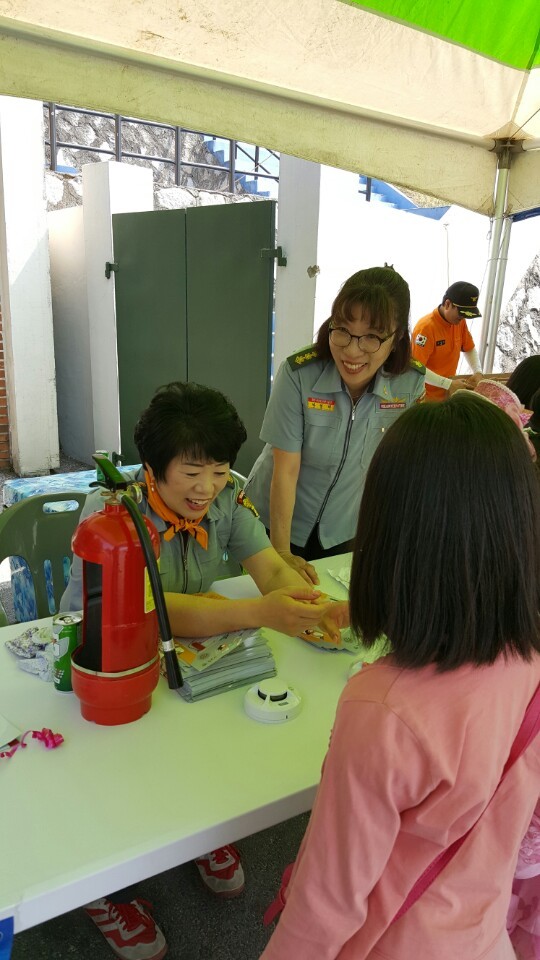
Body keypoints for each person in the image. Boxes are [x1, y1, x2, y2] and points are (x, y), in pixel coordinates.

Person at [61, 381, 341, 960]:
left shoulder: (228, 499)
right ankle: (102, 891)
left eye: (217, 469)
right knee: (108, 773)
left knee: (207, 745)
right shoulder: (115, 512)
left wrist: (310, 605)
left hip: (188, 658)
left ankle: (202, 831)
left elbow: (268, 568)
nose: (207, 487)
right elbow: (145, 609)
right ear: (152, 467)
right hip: (107, 661)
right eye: (192, 472)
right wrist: (258, 613)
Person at [260, 392, 540, 960]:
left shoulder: (383, 712)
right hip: (481, 937)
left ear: (392, 537)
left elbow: (325, 903)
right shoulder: (527, 661)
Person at [244, 265, 425, 585]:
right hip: (274, 524)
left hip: (344, 530)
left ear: (397, 338)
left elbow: (396, 470)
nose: (352, 351)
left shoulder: (409, 383)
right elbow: (286, 470)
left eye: (371, 337)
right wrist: (281, 552)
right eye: (342, 330)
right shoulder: (299, 374)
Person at [411, 280, 483, 400]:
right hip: (425, 397)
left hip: (449, 393)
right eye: (461, 314)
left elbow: (469, 348)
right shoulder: (425, 329)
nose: (462, 318)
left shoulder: (459, 322)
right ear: (448, 304)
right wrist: (448, 384)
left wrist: (477, 371)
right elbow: (416, 368)